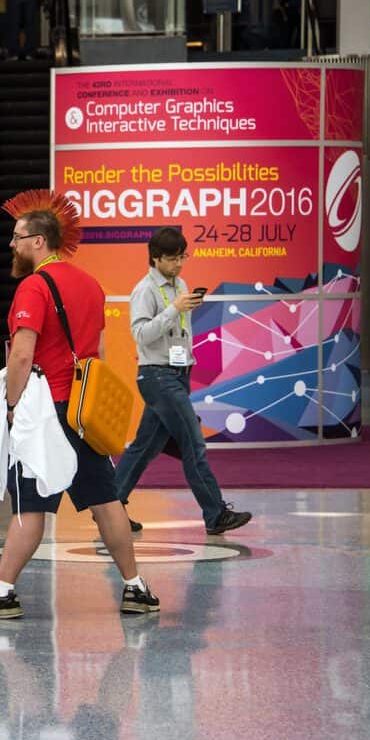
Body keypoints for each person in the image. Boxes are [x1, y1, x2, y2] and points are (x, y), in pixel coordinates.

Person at [0, 197, 159, 619]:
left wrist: (12, 405)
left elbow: (22, 354)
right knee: (106, 501)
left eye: (17, 237)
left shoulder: (34, 286)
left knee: (30, 504)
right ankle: (135, 587)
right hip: (81, 410)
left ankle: (2, 591)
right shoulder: (91, 284)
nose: (11, 244)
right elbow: (97, 351)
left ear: (39, 241)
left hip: (46, 412)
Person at [113, 228, 252, 535]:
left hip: (178, 373)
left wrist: (181, 311)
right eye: (173, 258)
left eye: (182, 257)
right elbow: (141, 334)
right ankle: (216, 514)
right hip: (157, 376)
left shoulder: (181, 285)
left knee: (143, 448)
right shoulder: (144, 290)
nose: (179, 264)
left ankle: (109, 508)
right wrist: (173, 310)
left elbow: (179, 330)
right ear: (156, 258)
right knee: (193, 444)